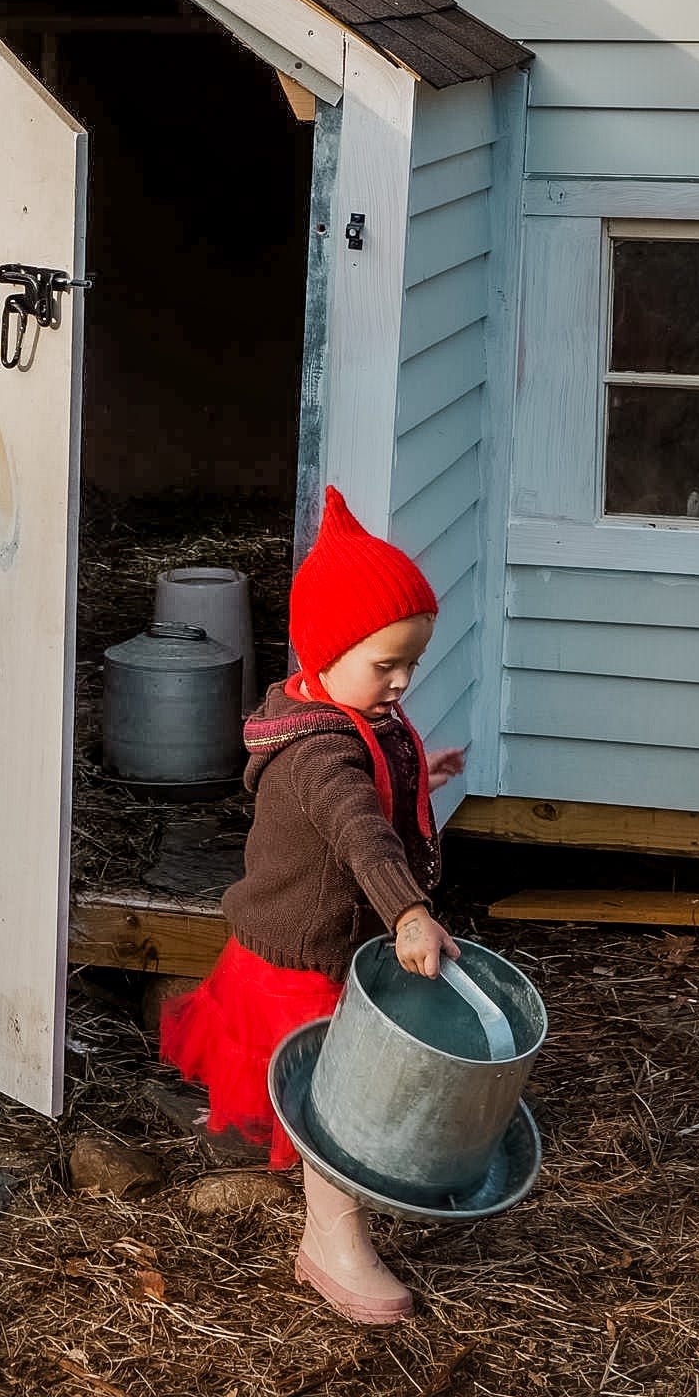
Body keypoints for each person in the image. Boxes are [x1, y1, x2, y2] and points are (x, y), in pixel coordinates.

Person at [160, 485, 464, 1326]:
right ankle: (332, 1243)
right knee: (339, 1105)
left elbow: (372, 786)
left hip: (332, 948)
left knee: (340, 1093)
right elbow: (359, 833)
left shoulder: (343, 712)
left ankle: (327, 1214)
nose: (400, 682)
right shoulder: (316, 755)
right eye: (385, 664)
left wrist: (416, 772)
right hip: (301, 965)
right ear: (327, 651)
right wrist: (408, 912)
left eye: (412, 664)